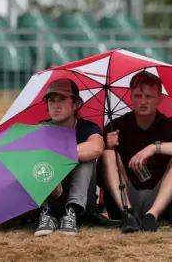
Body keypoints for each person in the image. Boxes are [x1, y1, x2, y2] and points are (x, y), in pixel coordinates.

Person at [101, 70, 172, 233]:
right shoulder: (116, 126)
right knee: (107, 154)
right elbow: (101, 169)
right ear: (131, 97)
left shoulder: (170, 125)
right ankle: (127, 214)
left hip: (161, 199)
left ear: (160, 99)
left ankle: (151, 217)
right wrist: (108, 147)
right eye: (138, 96)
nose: (143, 101)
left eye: (149, 97)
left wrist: (155, 148)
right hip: (127, 196)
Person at [35, 78, 106, 237]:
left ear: (75, 105)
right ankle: (45, 214)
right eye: (51, 101)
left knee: (86, 157)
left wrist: (55, 161)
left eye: (62, 99)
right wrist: (51, 174)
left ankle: (71, 212)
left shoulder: (87, 128)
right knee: (32, 156)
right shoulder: (41, 129)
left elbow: (96, 148)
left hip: (82, 202)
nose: (56, 105)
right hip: (49, 196)